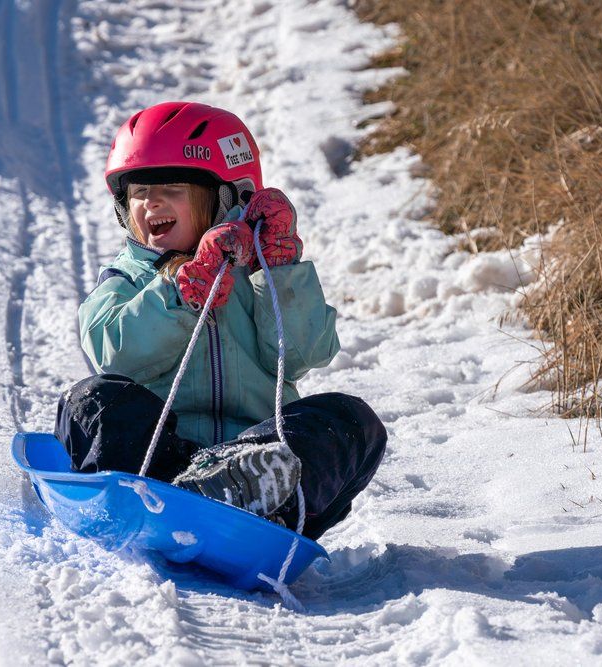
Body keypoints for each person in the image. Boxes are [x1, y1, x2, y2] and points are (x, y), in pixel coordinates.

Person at [54, 101, 386, 539]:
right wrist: (181, 293)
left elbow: (307, 351)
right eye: (138, 192)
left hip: (255, 462)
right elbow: (117, 356)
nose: (151, 202)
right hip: (158, 468)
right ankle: (168, 496)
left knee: (350, 420)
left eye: (172, 188)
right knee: (92, 399)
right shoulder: (126, 280)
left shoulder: (259, 274)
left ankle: (248, 495)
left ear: (228, 198)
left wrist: (280, 269)